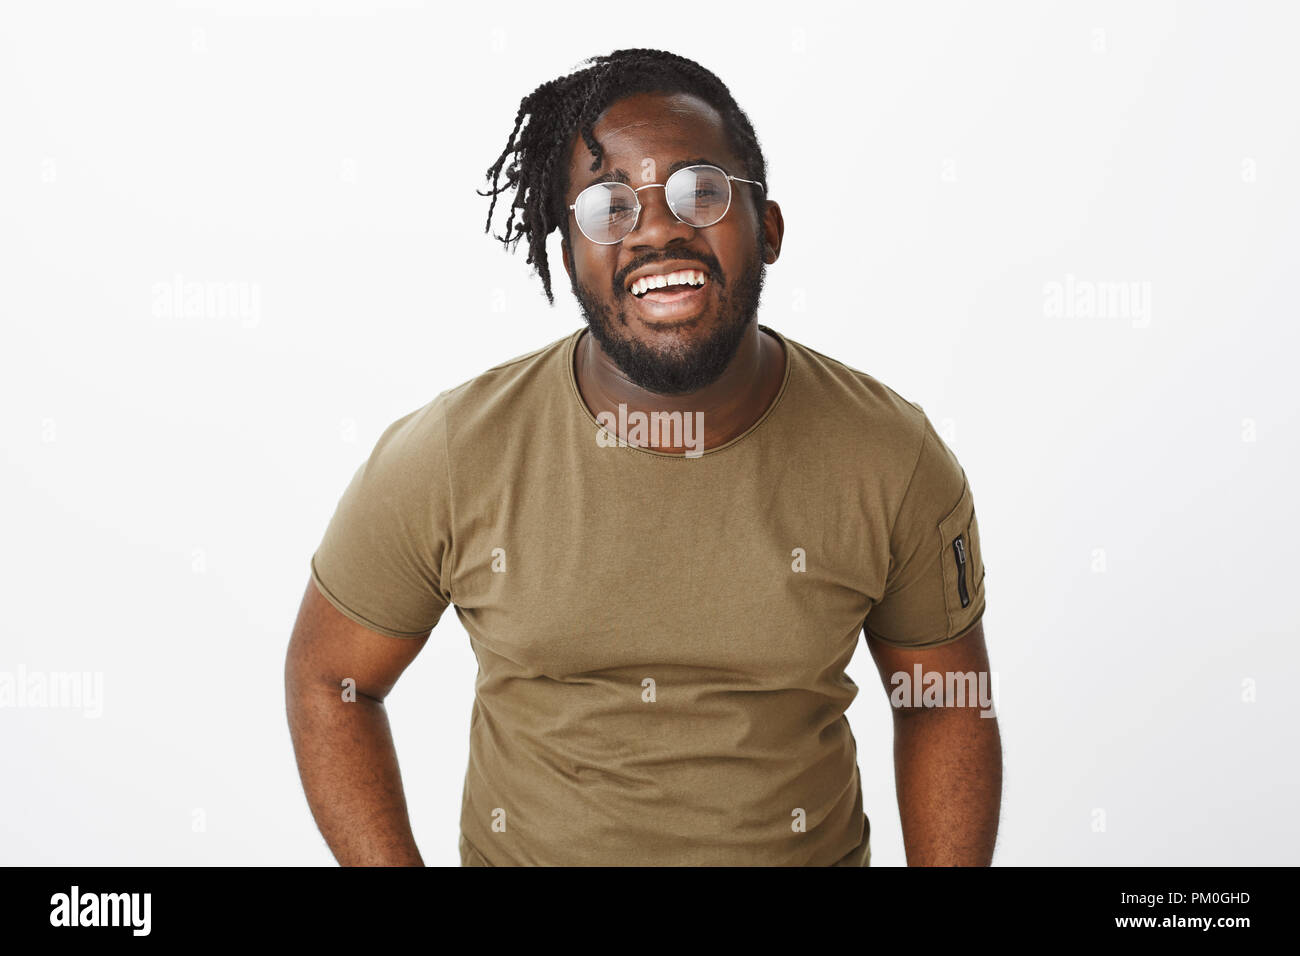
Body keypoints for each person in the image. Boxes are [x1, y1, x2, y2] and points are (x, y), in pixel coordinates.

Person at [285, 48, 1001, 866]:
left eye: (702, 193)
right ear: (568, 259)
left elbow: (942, 702)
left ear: (767, 229)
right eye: (608, 208)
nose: (658, 228)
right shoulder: (452, 454)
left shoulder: (890, 455)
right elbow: (330, 682)